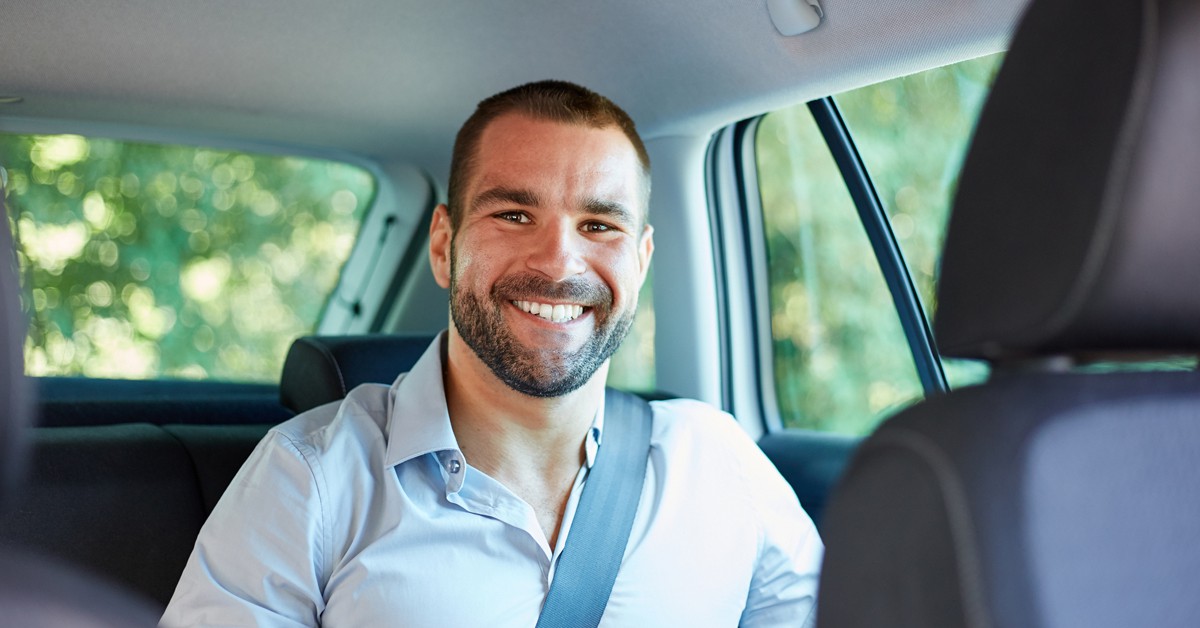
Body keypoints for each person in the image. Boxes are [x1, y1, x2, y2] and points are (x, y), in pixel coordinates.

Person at [161, 80, 822, 627]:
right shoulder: (309, 480)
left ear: (641, 260)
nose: (560, 261)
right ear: (445, 245)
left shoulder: (720, 465)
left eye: (599, 225)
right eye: (513, 215)